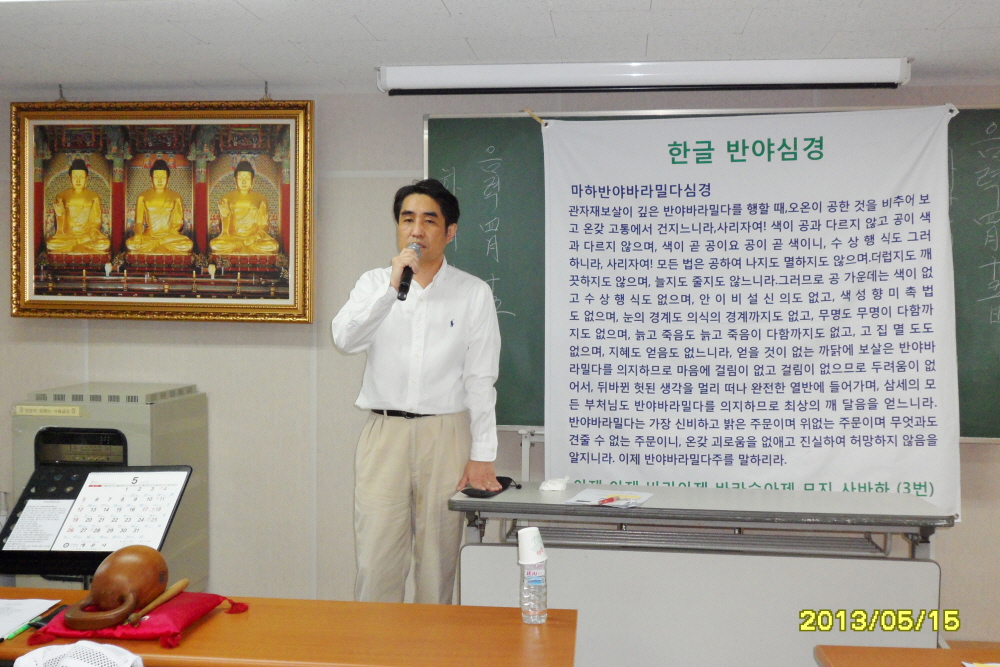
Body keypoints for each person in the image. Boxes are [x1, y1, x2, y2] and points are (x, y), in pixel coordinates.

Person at [331, 178, 502, 604]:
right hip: (384, 433)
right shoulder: (374, 283)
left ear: (450, 231)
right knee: (375, 562)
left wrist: (483, 454)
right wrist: (391, 290)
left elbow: (481, 379)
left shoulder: (473, 293)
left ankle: (432, 642)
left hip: (446, 434)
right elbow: (345, 340)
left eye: (429, 220)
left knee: (438, 565)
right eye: (407, 220)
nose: (416, 230)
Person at [210, 161, 280, 254]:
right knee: (215, 245)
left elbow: (263, 224)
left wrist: (255, 237)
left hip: (254, 241)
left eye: (247, 179)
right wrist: (225, 217)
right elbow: (224, 231)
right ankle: (242, 247)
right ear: (235, 180)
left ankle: (242, 248)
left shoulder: (261, 198)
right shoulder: (226, 198)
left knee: (273, 246)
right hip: (233, 240)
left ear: (252, 180)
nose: (243, 182)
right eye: (240, 178)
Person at [126, 159, 193, 254]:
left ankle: (158, 244)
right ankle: (159, 245)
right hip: (149, 237)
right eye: (156, 177)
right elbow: (139, 222)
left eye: (163, 177)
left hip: (168, 237)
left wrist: (169, 235)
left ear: (168, 179)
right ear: (151, 178)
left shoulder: (176, 197)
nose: (160, 180)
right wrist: (138, 234)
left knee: (188, 244)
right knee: (130, 244)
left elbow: (178, 222)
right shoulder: (143, 196)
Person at [46, 159, 111, 254]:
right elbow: (59, 226)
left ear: (87, 178)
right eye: (75, 177)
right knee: (51, 244)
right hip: (68, 236)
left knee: (104, 244)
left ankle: (76, 245)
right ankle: (77, 244)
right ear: (70, 178)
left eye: (81, 177)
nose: (78, 180)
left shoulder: (94, 196)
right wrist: (60, 214)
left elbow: (96, 221)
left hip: (87, 236)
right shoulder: (61, 196)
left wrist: (93, 231)